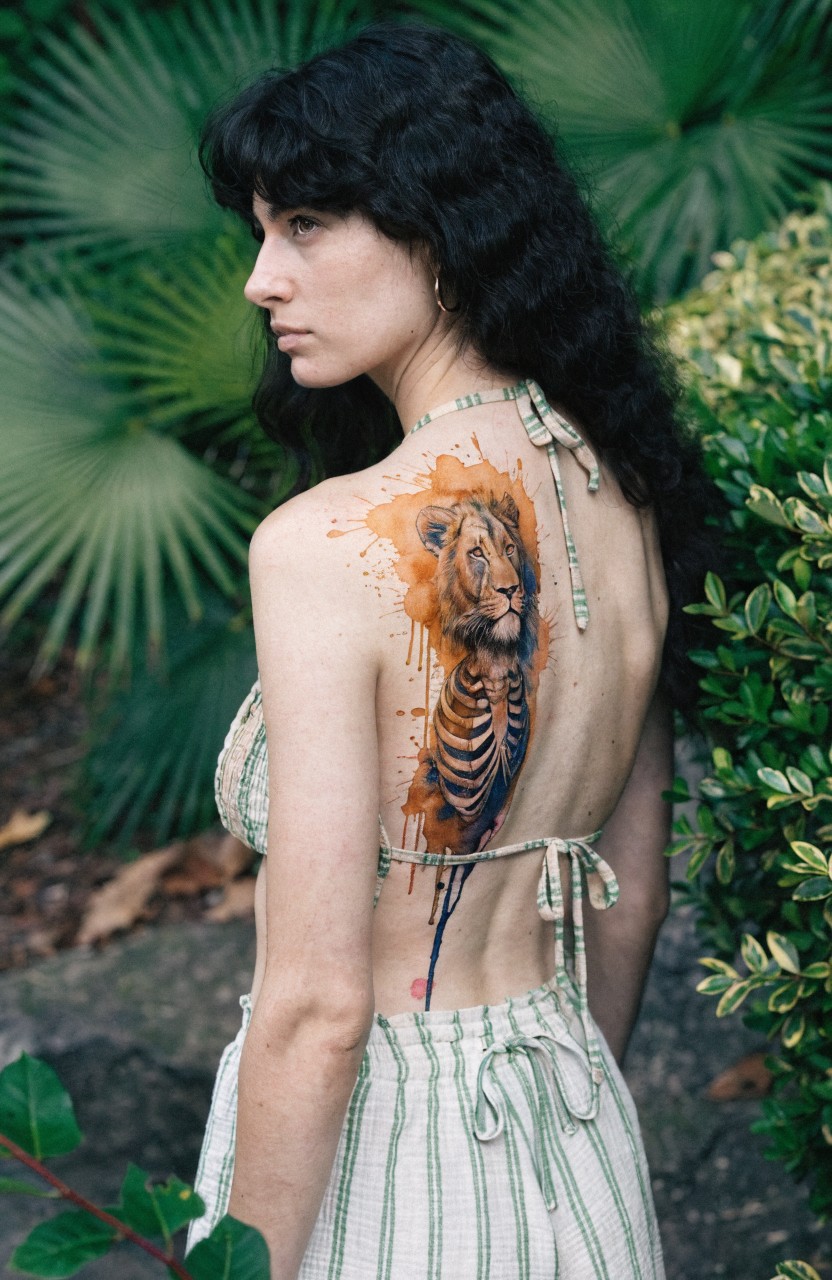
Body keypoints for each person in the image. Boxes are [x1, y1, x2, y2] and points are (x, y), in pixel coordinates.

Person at [185, 20, 713, 1279]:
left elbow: (316, 1008)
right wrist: (564, 1111)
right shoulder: (624, 487)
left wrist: (239, 1262)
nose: (263, 278)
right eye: (260, 229)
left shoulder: (327, 543)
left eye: (306, 224)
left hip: (383, 1154)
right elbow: (624, 893)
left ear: (440, 226)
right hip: (572, 1118)